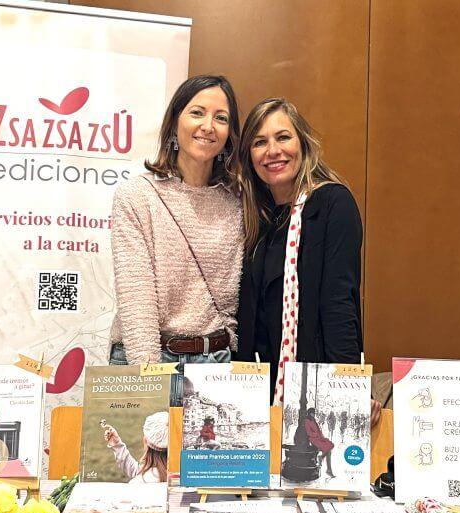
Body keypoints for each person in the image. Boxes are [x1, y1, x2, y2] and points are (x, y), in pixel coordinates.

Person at [233, 98, 375, 423]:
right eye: (260, 142)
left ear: (302, 143)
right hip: (259, 393)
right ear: (249, 156)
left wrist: (351, 389)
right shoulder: (258, 217)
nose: (273, 150)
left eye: (283, 137)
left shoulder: (331, 204)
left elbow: (341, 305)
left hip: (318, 393)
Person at [109, 75, 243, 404]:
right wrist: (148, 386)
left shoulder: (238, 201)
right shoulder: (137, 195)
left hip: (215, 365)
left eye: (221, 118)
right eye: (197, 113)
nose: (208, 126)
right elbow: (136, 297)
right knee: (143, 457)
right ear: (175, 123)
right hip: (147, 360)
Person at [103, 411, 168, 483]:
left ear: (146, 442)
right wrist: (118, 445)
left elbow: (141, 475)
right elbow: (137, 471)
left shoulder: (139, 482)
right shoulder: (177, 472)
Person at [304, 407, 335, 478]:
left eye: (314, 413)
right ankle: (328, 470)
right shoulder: (307, 421)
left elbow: (318, 430)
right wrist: (317, 435)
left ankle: (322, 458)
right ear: (309, 413)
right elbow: (309, 433)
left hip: (319, 438)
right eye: (312, 413)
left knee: (331, 445)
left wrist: (322, 437)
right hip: (313, 440)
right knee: (328, 449)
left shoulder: (313, 420)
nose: (313, 415)